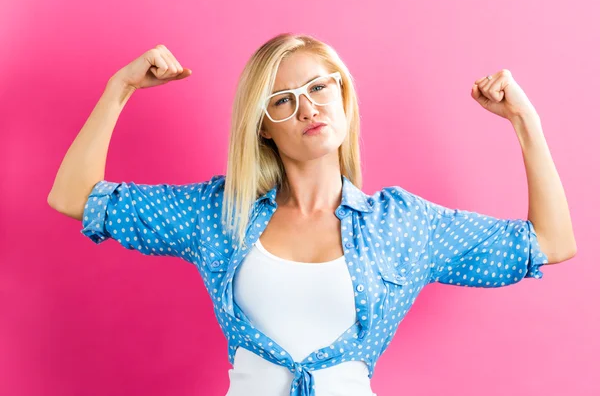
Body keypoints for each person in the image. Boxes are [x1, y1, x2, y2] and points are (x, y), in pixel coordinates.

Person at [48, 33, 576, 396]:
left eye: (319, 87)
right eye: (283, 99)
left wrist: (523, 119)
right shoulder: (218, 213)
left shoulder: (401, 225)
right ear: (262, 126)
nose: (308, 108)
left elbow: (551, 243)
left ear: (343, 95)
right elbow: (75, 196)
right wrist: (122, 89)